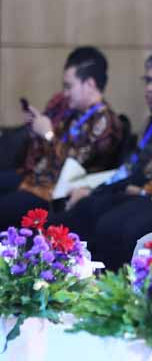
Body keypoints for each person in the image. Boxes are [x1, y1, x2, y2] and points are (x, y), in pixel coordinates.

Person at [51, 52, 152, 270]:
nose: (149, 88)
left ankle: (102, 281)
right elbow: (132, 166)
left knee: (105, 219)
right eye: (147, 80)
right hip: (134, 184)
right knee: (86, 206)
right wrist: (98, 189)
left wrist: (108, 189)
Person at [0, 47, 123, 228]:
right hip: (36, 180)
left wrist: (48, 134)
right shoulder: (73, 113)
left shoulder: (106, 122)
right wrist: (36, 131)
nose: (65, 93)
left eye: (69, 86)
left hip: (56, 194)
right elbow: (46, 154)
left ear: (90, 84)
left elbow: (73, 166)